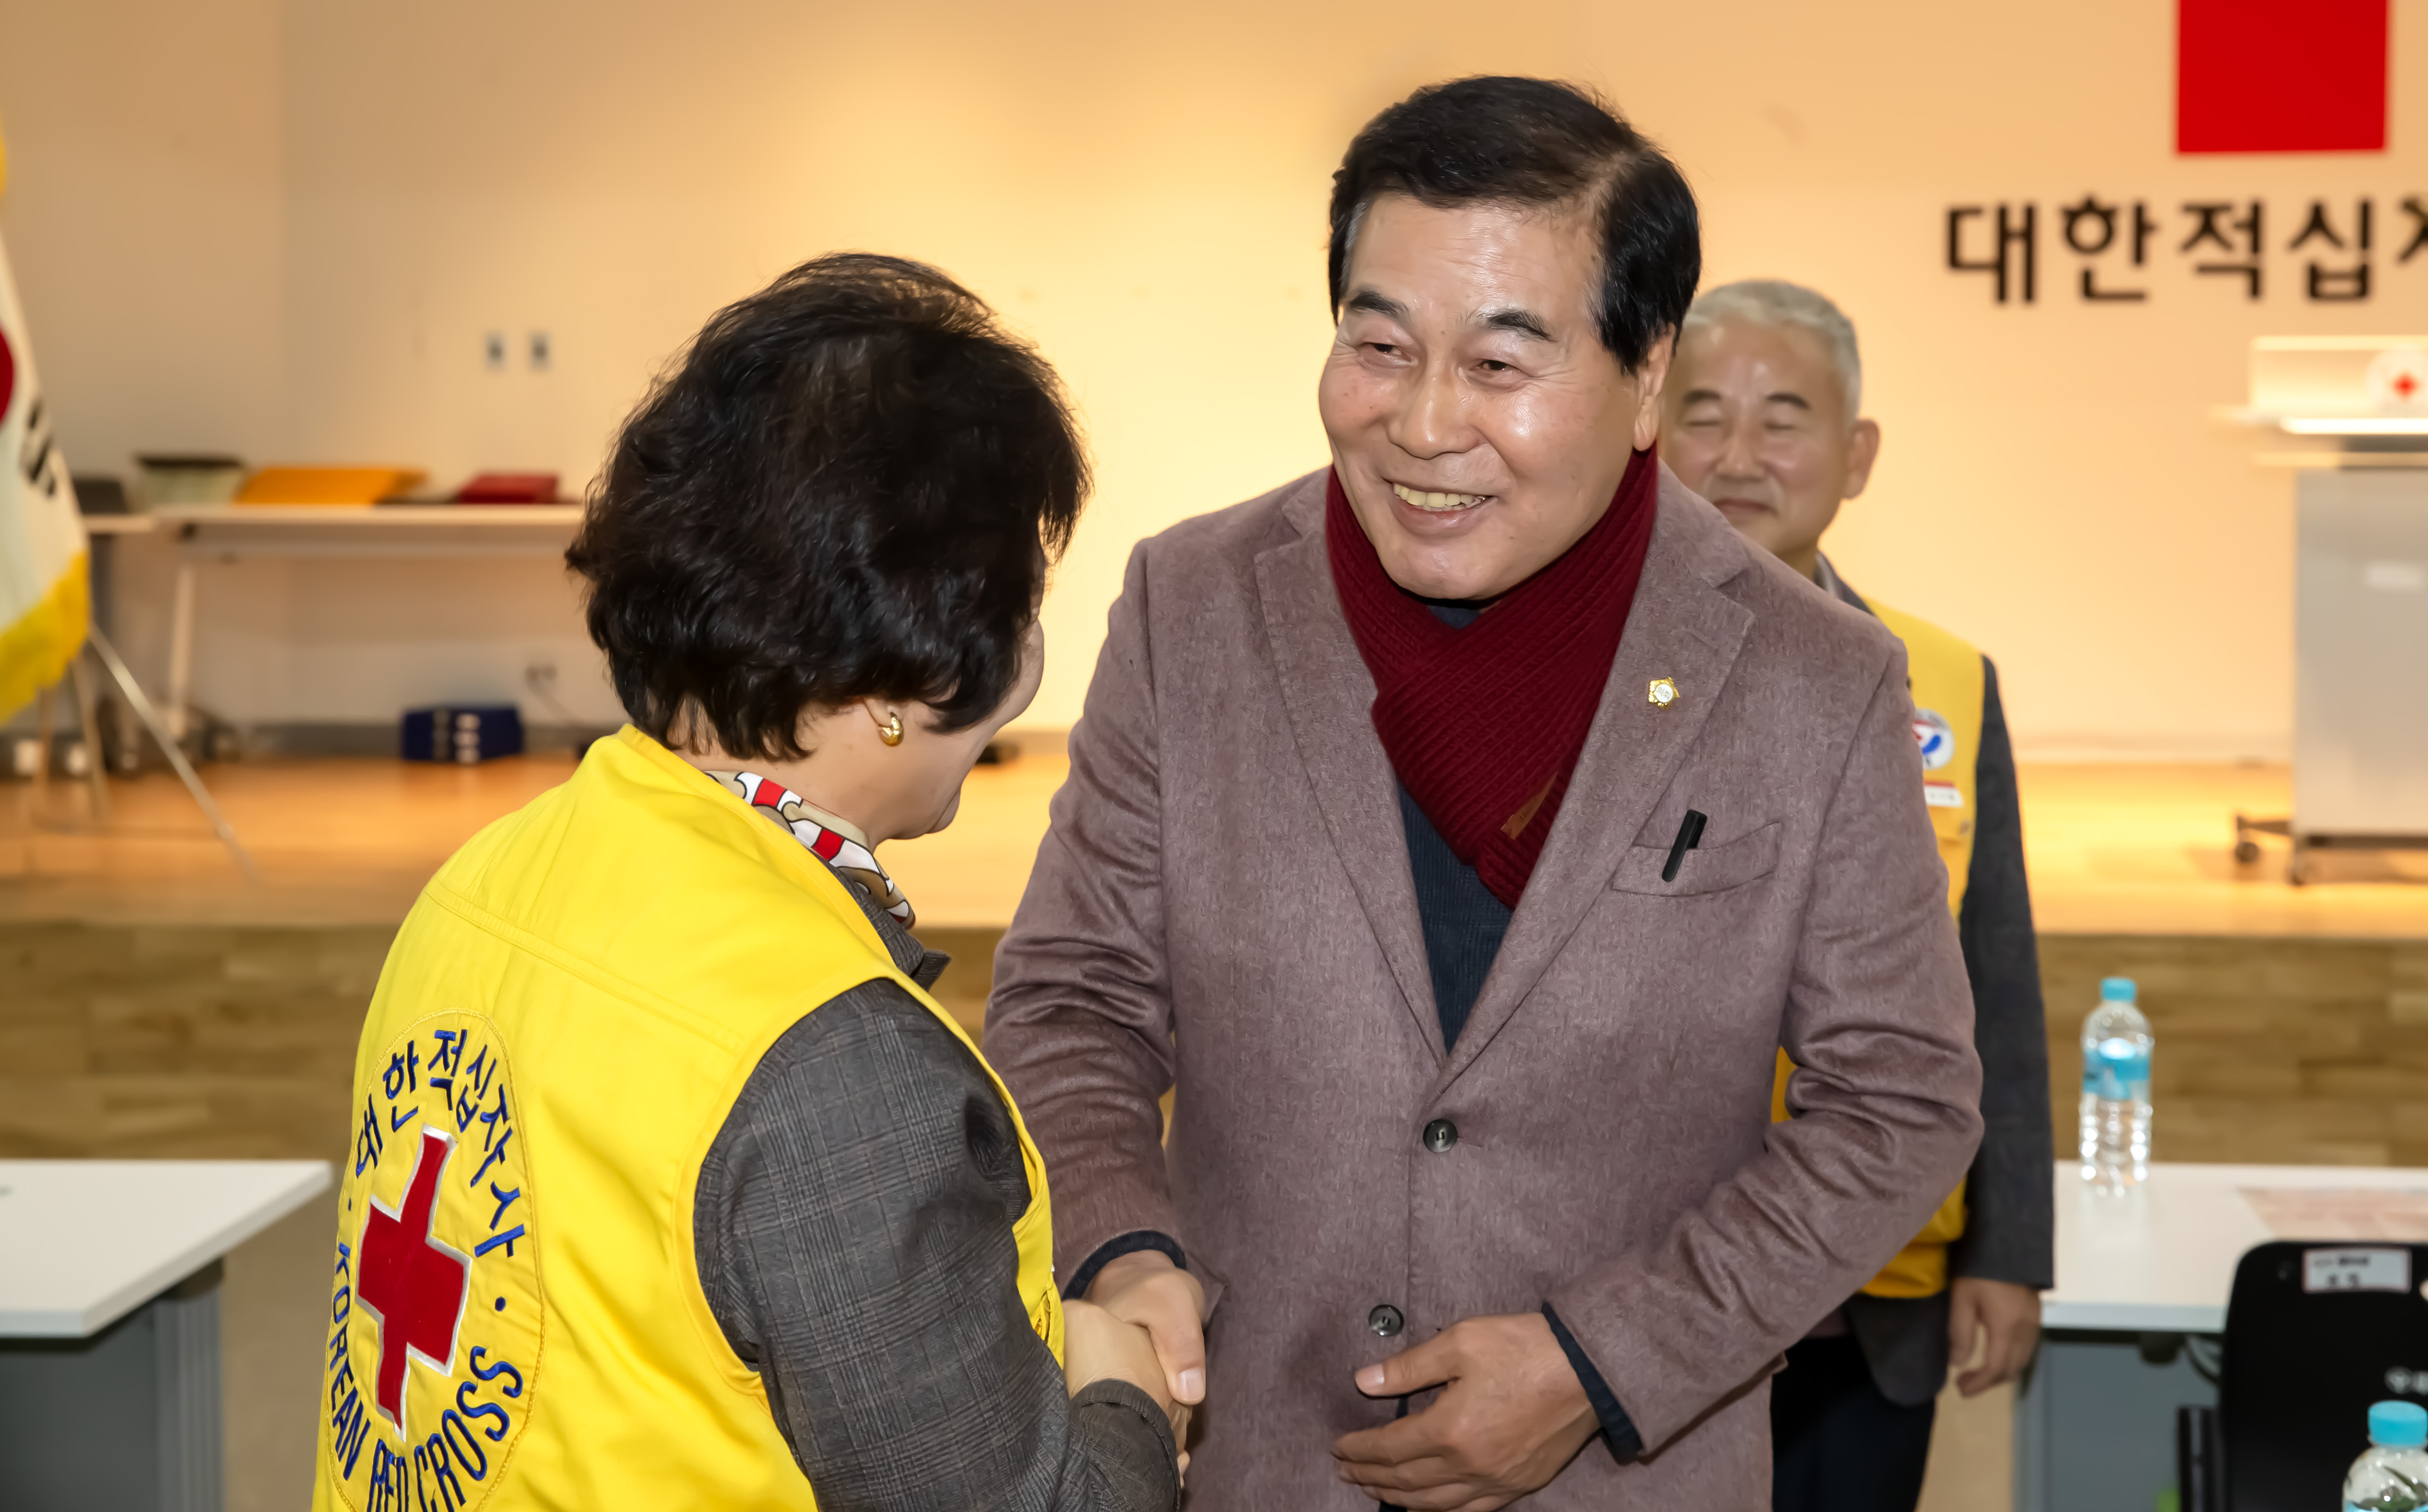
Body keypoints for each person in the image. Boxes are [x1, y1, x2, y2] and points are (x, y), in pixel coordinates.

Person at [983, 78, 1982, 1511]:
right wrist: (1121, 1248)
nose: (1425, 423)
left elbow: (1899, 1102)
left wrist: (1600, 1364)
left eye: (1503, 363)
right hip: (1256, 1457)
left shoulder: (1808, 679)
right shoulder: (1195, 607)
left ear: (1648, 377)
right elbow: (1073, 999)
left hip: (1625, 1479)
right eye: (1380, 346)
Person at [311, 256, 1182, 1511]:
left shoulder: (482, 880)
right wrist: (1123, 1394)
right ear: (912, 670)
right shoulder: (835, 1065)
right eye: (1016, 615)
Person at [1660, 278, 2053, 1512]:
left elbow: (1995, 984)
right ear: (1643, 433)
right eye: (1702, 414)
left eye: (1783, 418)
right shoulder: (1577, 675)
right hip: (1643, 1290)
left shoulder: (1942, 681)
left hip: (1875, 1295)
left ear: (1857, 453)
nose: (1738, 455)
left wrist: (2008, 1250)